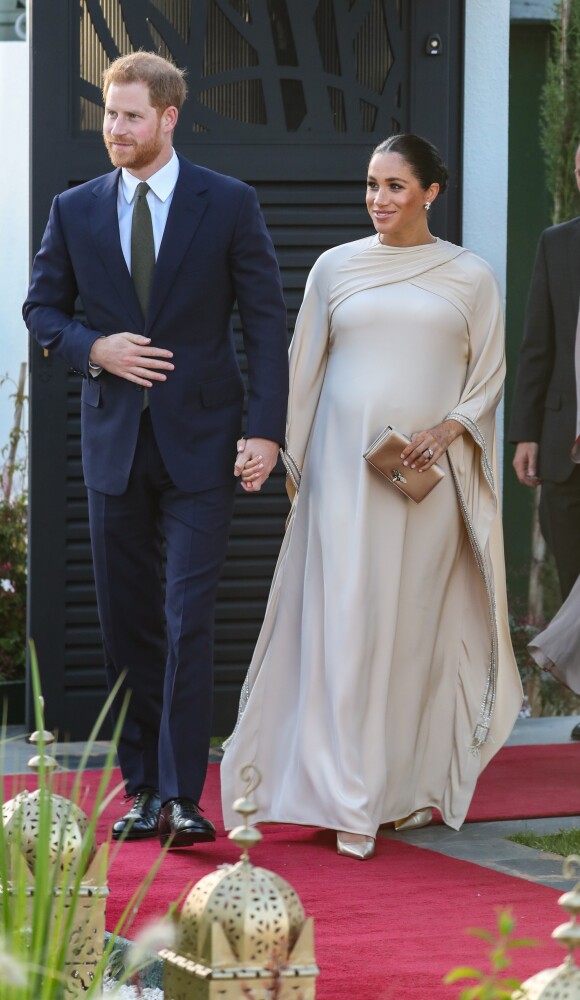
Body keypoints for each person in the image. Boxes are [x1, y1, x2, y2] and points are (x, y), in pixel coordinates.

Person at [221, 133, 523, 861]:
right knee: (342, 626)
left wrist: (450, 429)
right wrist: (283, 456)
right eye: (371, 185)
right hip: (340, 486)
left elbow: (488, 377)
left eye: (394, 186)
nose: (378, 199)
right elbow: (303, 370)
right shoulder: (334, 268)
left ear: (431, 193)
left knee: (406, 633)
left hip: (427, 492)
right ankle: (343, 797)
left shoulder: (472, 276)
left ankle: (391, 791)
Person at [23, 52, 288, 848]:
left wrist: (267, 430)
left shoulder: (230, 203)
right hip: (113, 448)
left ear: (169, 118)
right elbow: (41, 311)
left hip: (204, 446)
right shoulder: (74, 209)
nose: (116, 129)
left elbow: (266, 321)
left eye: (131, 116)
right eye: (109, 114)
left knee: (188, 616)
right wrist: (93, 347)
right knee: (129, 623)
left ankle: (181, 793)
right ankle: (140, 787)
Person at [509, 145, 580, 606]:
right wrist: (526, 434)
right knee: (575, 592)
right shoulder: (557, 243)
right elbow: (538, 347)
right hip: (563, 455)